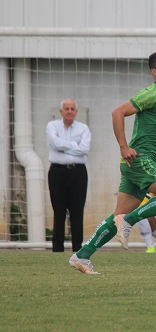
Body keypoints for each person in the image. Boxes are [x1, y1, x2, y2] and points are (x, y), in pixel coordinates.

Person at [68, 50, 156, 274]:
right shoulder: (151, 94)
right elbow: (118, 113)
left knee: (117, 215)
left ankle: (82, 255)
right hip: (138, 159)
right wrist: (124, 147)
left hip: (139, 163)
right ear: (154, 72)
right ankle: (128, 222)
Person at [46, 99, 92, 252]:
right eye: (66, 108)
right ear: (61, 111)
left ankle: (78, 249)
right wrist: (74, 145)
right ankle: (57, 249)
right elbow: (55, 144)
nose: (69, 111)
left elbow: (84, 149)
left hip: (78, 172)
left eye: (72, 108)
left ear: (76, 112)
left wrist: (65, 146)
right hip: (57, 172)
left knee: (77, 211)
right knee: (58, 210)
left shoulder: (83, 128)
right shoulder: (52, 126)